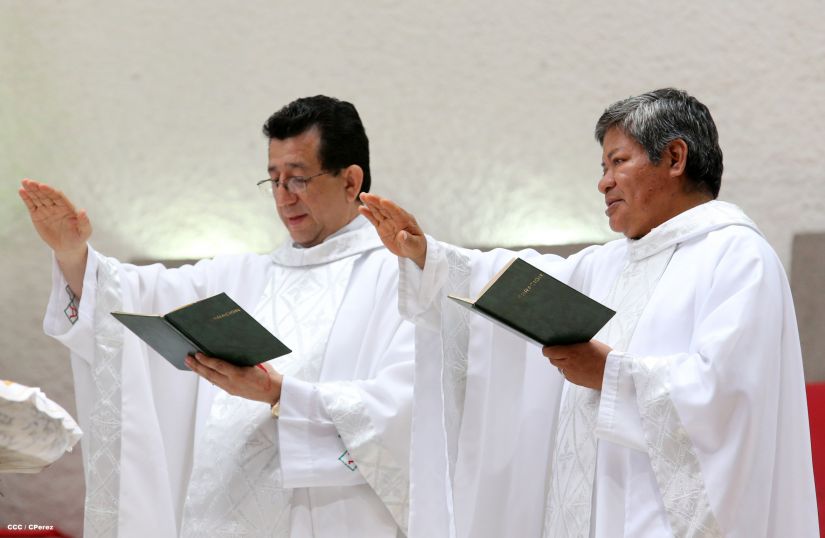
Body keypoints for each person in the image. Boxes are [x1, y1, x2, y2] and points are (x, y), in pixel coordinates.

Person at [359, 88, 819, 537]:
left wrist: (609, 375)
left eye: (619, 162)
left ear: (675, 158)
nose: (603, 182)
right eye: (603, 167)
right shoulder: (607, 264)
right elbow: (516, 281)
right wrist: (431, 261)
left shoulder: (737, 255)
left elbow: (728, 398)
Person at [19, 95, 414, 538]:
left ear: (350, 181)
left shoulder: (400, 282)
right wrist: (73, 253)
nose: (283, 197)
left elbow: (407, 412)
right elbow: (131, 299)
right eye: (273, 180)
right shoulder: (245, 277)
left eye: (298, 179)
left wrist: (280, 393)